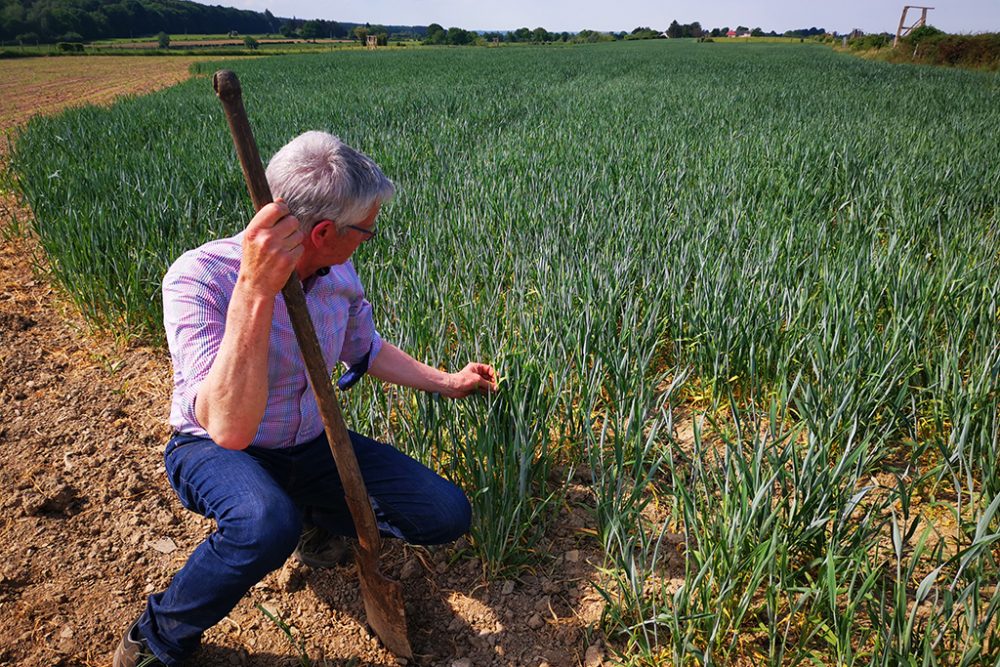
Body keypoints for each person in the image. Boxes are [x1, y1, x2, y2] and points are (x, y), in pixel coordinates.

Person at [113, 131, 497, 667]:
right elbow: (226, 427)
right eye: (366, 231)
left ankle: (312, 519)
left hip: (311, 444)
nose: (369, 238)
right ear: (322, 231)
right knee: (266, 522)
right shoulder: (201, 278)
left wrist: (448, 381)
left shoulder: (337, 272)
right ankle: (159, 635)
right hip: (216, 451)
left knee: (444, 514)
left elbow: (365, 348)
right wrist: (256, 290)